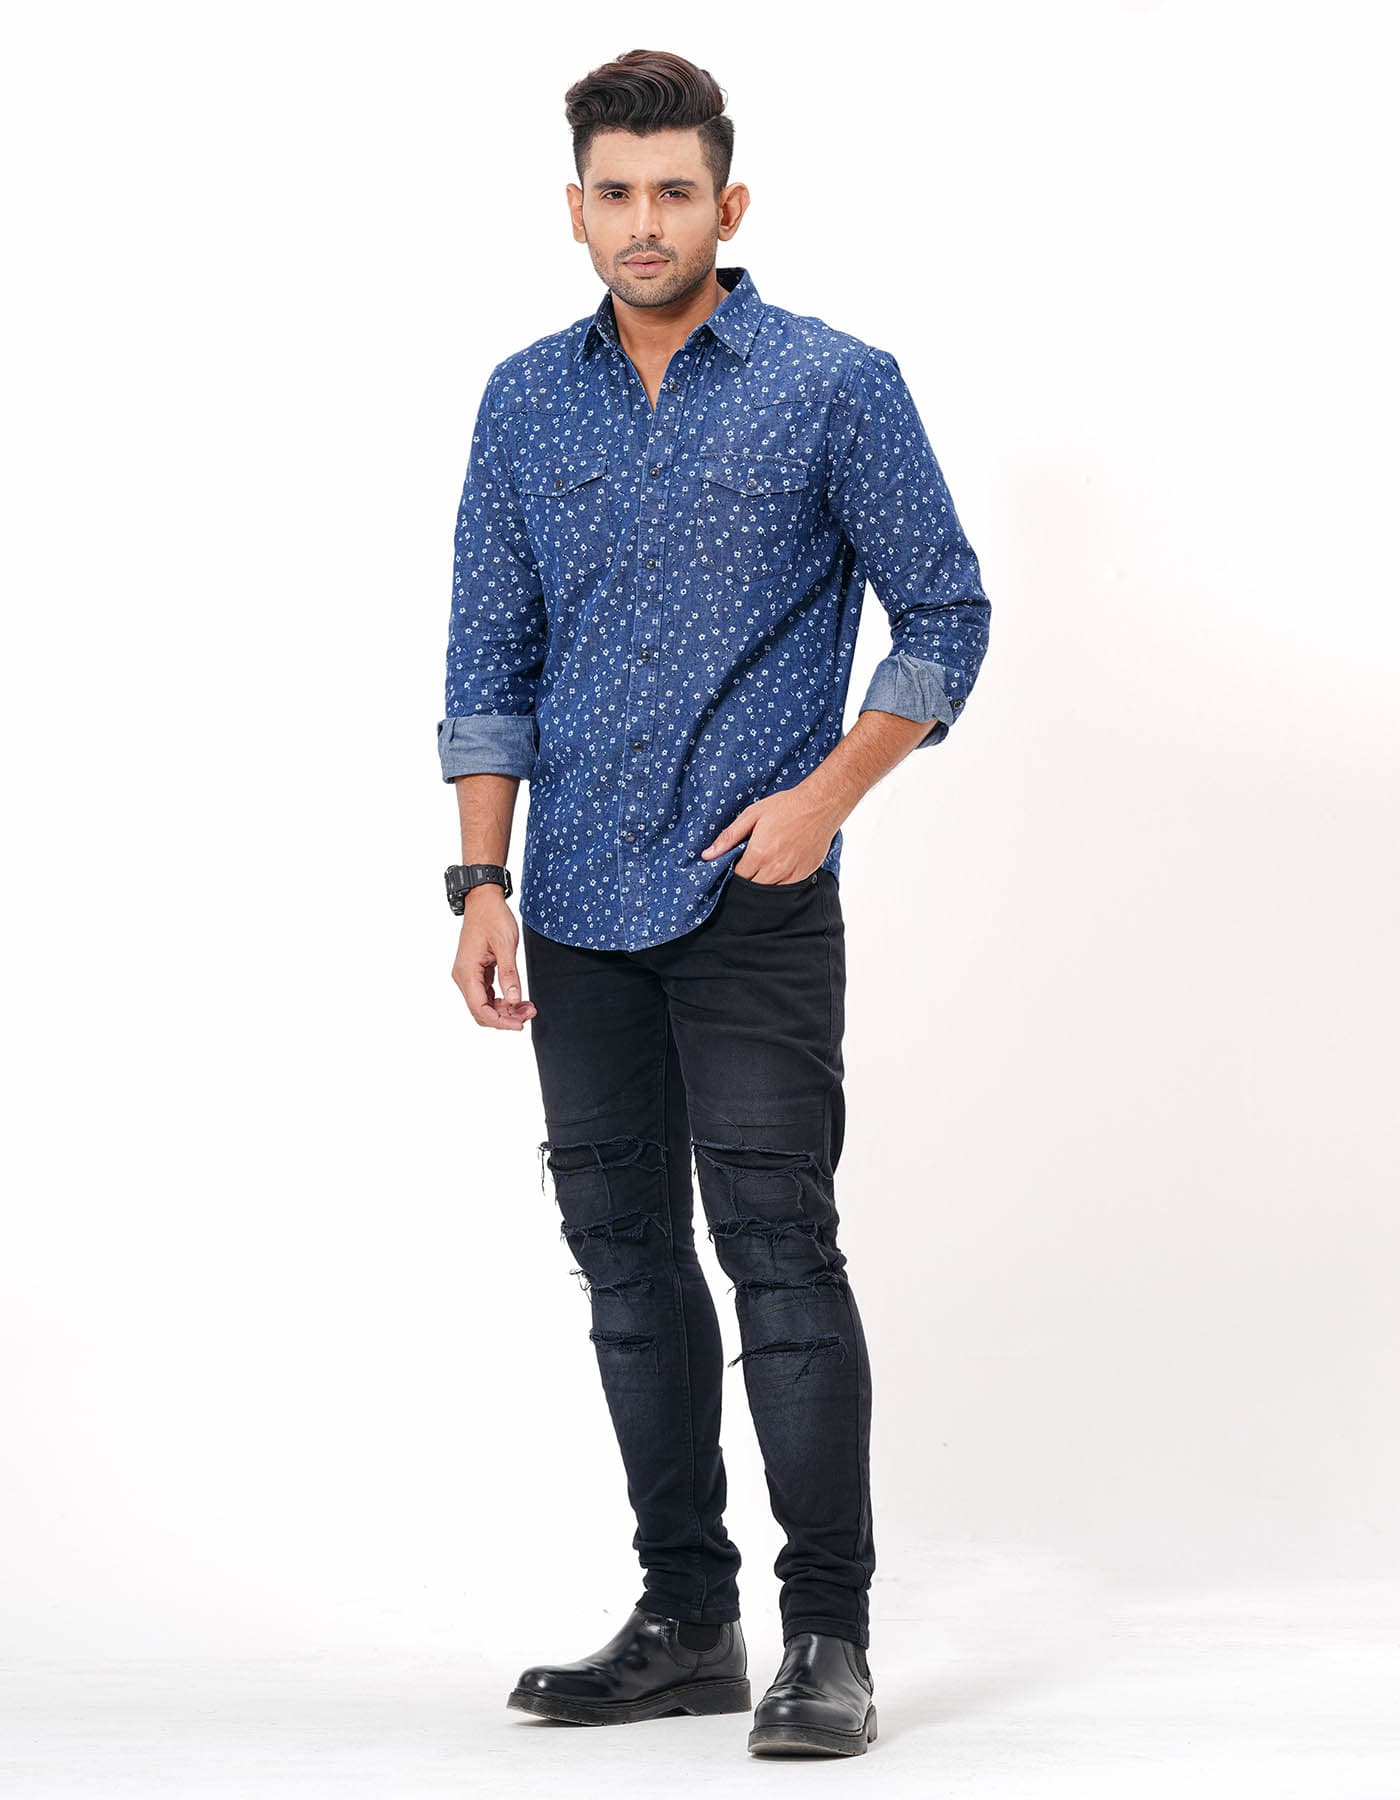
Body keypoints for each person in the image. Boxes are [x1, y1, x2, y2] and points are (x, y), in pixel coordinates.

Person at [437, 48, 991, 1760]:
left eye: (674, 191)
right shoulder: (525, 402)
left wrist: (826, 800)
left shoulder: (834, 385)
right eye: (616, 191)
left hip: (752, 892)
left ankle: (829, 1638)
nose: (645, 220)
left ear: (727, 204)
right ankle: (686, 1615)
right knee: (621, 1258)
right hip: (574, 897)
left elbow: (946, 612)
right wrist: (479, 879)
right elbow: (489, 654)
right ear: (576, 208)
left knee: (776, 1248)